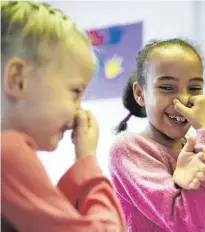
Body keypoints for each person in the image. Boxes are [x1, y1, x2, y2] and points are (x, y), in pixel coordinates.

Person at [1, 1, 126, 231]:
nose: (79, 111)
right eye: (75, 92)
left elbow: (57, 218)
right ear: (19, 79)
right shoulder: (9, 153)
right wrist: (87, 161)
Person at [109, 38, 205, 232]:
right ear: (140, 94)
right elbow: (190, 225)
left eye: (195, 88)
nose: (183, 99)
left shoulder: (197, 146)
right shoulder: (129, 148)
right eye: (167, 87)